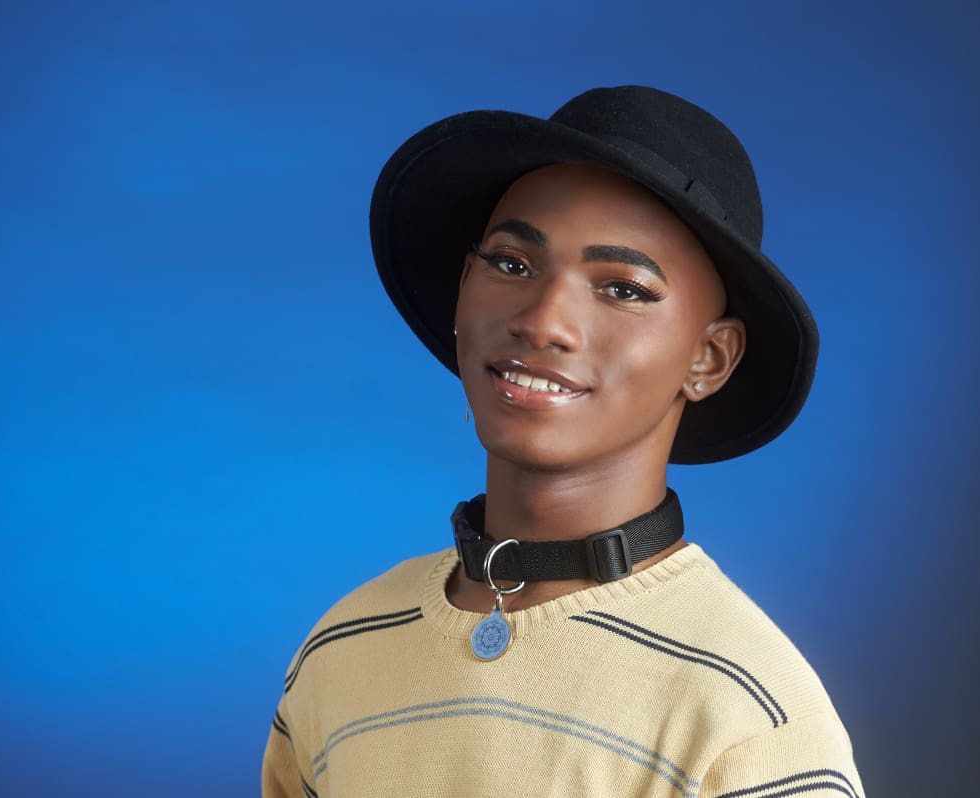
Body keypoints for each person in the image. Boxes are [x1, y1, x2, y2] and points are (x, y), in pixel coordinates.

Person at [262, 86, 864, 797]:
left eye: (624, 290)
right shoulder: (346, 644)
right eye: (513, 264)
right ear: (463, 289)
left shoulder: (746, 717)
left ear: (709, 359)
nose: (545, 320)